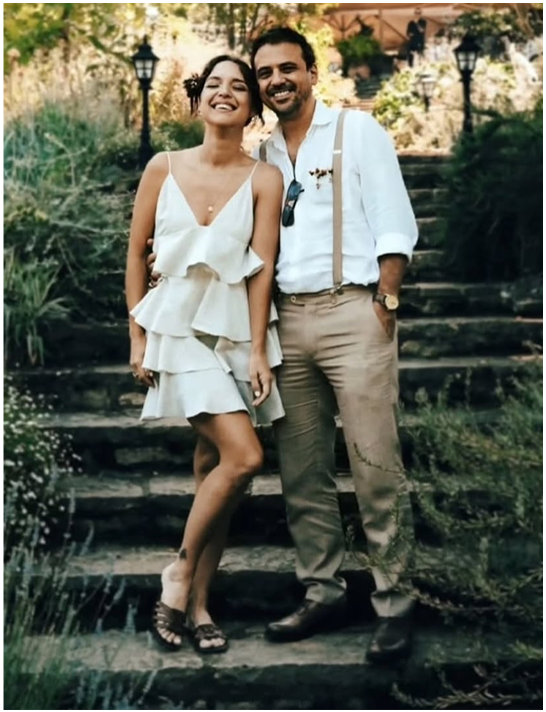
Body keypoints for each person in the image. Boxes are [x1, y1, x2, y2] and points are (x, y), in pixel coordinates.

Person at [249, 27, 419, 663]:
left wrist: (385, 303)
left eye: (287, 68)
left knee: (376, 466)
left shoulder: (357, 131)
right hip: (287, 322)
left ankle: (396, 602)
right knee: (302, 471)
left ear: (312, 72)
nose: (276, 81)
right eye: (265, 73)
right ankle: (322, 590)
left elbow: (395, 222)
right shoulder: (262, 154)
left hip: (355, 312)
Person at [125, 54, 284, 654]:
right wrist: (137, 335)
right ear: (199, 98)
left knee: (214, 470)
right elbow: (135, 253)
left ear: (252, 107)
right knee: (245, 456)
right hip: (177, 331)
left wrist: (258, 350)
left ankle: (199, 606)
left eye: (239, 86)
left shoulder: (265, 178)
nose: (225, 92)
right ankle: (180, 574)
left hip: (234, 334)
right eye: (214, 83)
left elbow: (261, 270)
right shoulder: (162, 166)